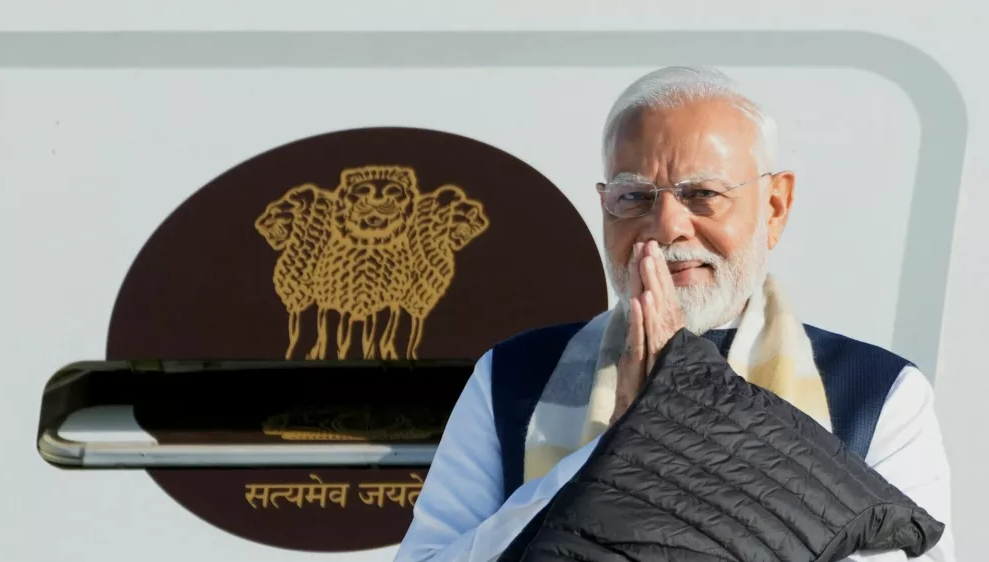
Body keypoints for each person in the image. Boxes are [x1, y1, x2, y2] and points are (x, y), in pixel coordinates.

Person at [393, 67, 955, 562]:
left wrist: (674, 429)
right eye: (633, 198)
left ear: (775, 207)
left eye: (702, 194)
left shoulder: (875, 394)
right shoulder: (513, 378)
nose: (667, 227)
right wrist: (608, 453)